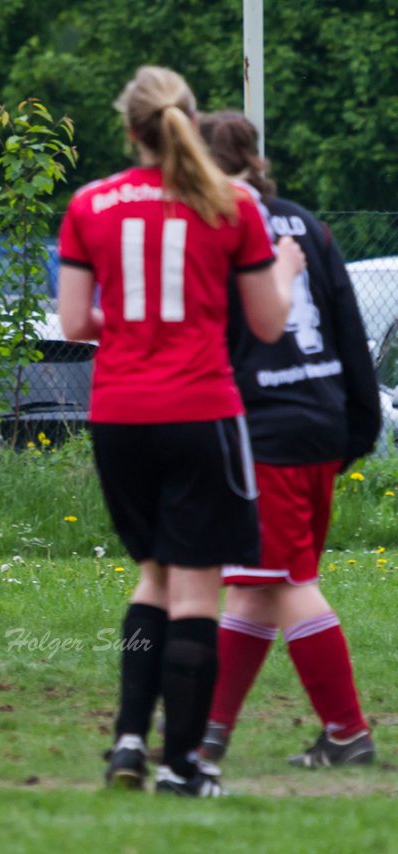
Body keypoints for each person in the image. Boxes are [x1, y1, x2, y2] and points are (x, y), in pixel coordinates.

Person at [56, 65, 304, 796]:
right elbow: (266, 322)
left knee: (152, 579)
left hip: (119, 416)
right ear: (189, 124)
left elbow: (75, 323)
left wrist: (133, 326)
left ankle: (128, 741)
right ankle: (183, 767)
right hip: (200, 411)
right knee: (198, 591)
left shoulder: (89, 202)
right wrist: (284, 272)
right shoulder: (232, 204)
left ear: (130, 130)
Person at [194, 110, 380, 769]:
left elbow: (208, 339)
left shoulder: (216, 229)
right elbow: (346, 322)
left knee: (288, 582)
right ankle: (207, 734)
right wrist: (360, 420)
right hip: (321, 418)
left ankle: (348, 733)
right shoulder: (306, 223)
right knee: (256, 583)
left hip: (264, 427)